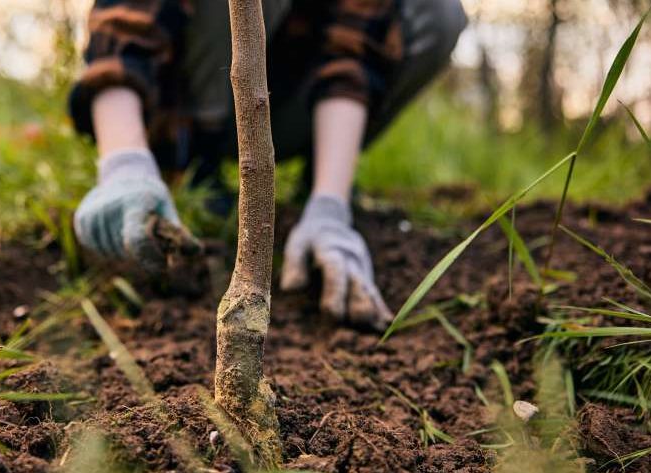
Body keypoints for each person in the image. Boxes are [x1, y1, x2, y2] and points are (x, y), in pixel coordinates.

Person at [69, 0, 467, 331]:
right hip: (183, 94)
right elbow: (123, 26)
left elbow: (353, 50)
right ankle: (195, 166)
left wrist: (330, 205)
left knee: (437, 11)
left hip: (285, 95)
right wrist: (124, 161)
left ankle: (323, 184)